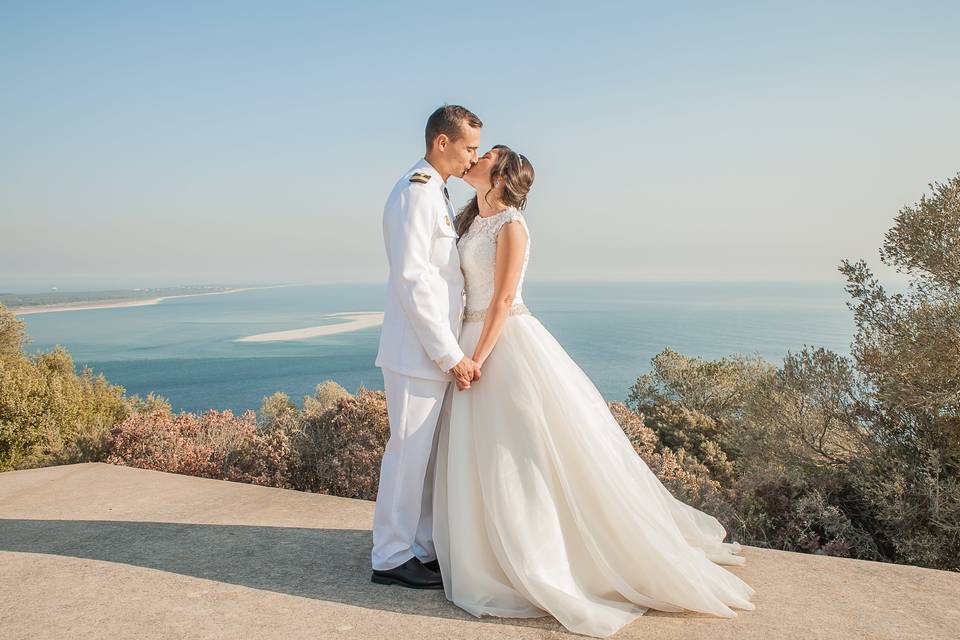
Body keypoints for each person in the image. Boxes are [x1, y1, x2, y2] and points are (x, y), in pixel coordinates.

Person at [431, 145, 757, 637]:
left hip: (504, 343)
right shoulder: (471, 219)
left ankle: (548, 555)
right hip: (469, 339)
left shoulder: (511, 225)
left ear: (500, 174)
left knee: (521, 451)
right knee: (481, 452)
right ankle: (485, 551)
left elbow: (501, 297)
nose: (474, 158)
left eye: (486, 155)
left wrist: (477, 357)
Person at [370, 105, 484, 588]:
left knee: (427, 455)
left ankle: (419, 547)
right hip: (417, 352)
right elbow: (415, 279)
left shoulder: (433, 192)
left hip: (429, 351)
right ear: (442, 142)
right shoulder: (416, 193)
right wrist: (449, 353)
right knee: (408, 452)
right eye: (468, 148)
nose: (472, 157)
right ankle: (391, 555)